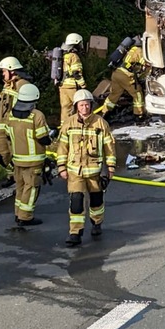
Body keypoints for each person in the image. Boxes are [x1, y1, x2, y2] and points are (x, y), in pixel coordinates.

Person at [56, 89, 115, 246]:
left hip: (95, 172)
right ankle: (75, 233)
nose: (85, 108)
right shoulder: (69, 124)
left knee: (96, 201)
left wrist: (110, 168)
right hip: (75, 171)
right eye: (81, 105)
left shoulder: (101, 123)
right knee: (76, 202)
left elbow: (109, 147)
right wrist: (61, 167)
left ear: (91, 105)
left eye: (87, 105)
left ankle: (96, 223)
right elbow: (62, 147)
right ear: (76, 106)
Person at [0, 84, 51, 228]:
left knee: (20, 187)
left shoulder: (10, 115)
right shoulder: (37, 115)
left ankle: (18, 213)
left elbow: (6, 134)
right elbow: (43, 138)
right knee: (31, 188)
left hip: (17, 160)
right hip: (34, 162)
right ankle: (25, 217)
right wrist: (52, 136)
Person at [99, 38, 148, 120]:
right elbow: (146, 64)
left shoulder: (128, 50)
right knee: (137, 93)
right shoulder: (139, 51)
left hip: (116, 73)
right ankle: (139, 115)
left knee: (114, 94)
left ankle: (105, 113)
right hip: (125, 75)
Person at [0, 56, 32, 130]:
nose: (3, 74)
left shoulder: (24, 85)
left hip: (16, 128)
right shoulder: (7, 85)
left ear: (12, 71)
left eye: (4, 71)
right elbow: (3, 105)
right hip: (3, 126)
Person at [56, 33, 86, 122]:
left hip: (62, 85)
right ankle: (80, 126)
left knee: (65, 109)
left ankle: (64, 128)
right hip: (72, 86)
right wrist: (83, 85)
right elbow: (76, 72)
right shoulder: (73, 56)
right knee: (80, 106)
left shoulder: (63, 55)